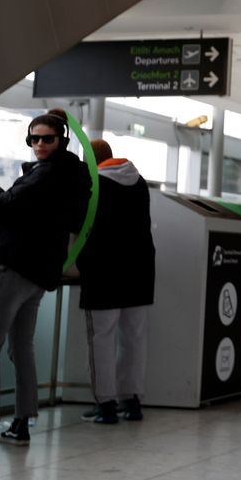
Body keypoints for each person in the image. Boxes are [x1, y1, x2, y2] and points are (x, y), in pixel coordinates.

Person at [0, 109, 90, 450]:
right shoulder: (73, 176)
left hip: (16, 267)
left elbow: (4, 208)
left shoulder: (47, 175)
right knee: (21, 346)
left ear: (62, 141)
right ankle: (21, 423)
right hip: (39, 272)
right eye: (34, 139)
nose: (40, 145)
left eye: (47, 139)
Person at [76, 139, 155, 424]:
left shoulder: (95, 186)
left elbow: (81, 226)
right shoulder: (139, 182)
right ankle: (132, 401)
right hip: (140, 271)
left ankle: (105, 404)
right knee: (134, 339)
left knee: (102, 339)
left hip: (103, 272)